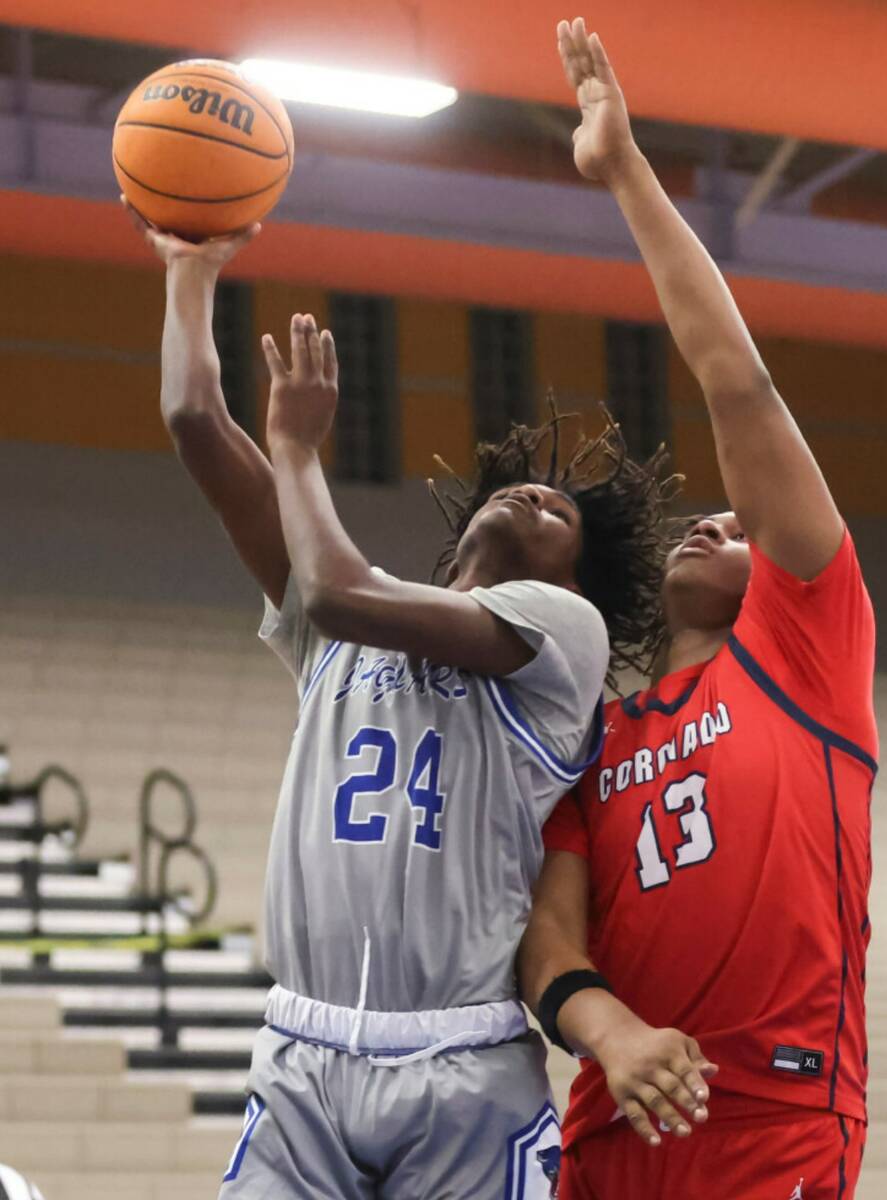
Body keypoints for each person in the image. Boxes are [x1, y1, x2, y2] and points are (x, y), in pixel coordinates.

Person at [127, 198, 670, 1198]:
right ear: (462, 525)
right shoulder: (335, 630)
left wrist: (296, 450)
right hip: (302, 1051)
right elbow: (194, 420)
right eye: (523, 489)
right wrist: (190, 267)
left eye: (562, 517)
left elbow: (340, 588)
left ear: (571, 582)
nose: (541, 497)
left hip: (460, 1064)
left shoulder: (563, 639)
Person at [518, 18, 877, 1200]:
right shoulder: (596, 734)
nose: (716, 520)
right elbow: (548, 945)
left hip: (773, 1112)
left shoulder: (803, 644)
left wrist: (622, 170)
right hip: (611, 1123)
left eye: (738, 519)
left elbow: (735, 378)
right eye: (698, 518)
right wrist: (610, 1035)